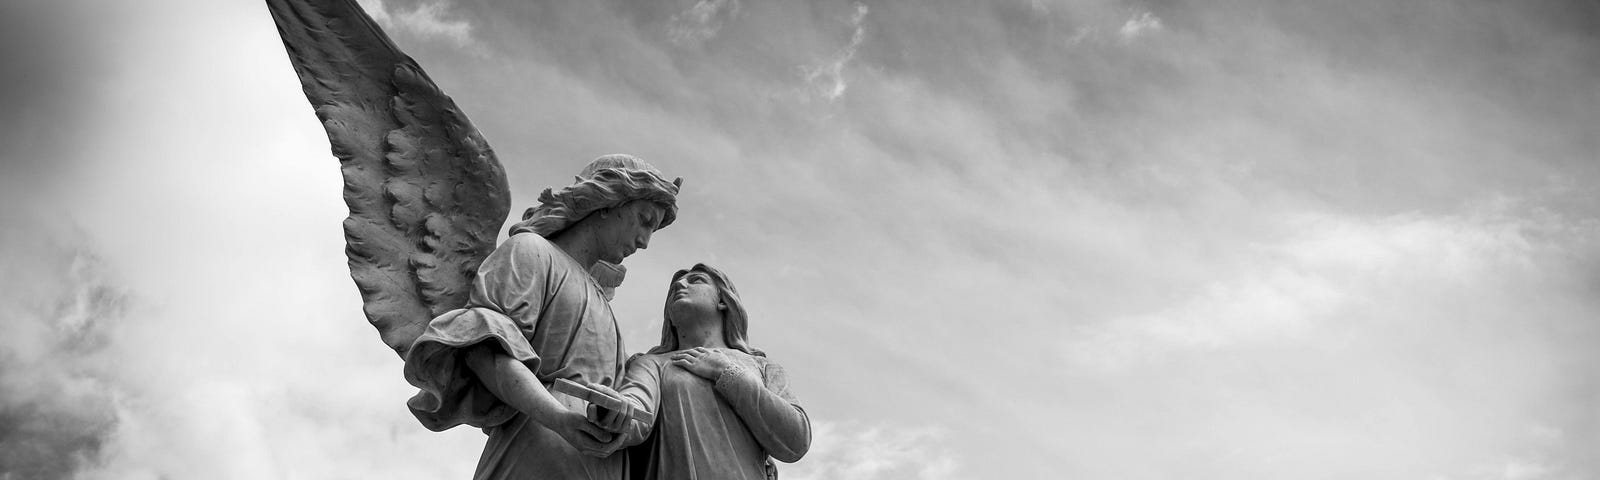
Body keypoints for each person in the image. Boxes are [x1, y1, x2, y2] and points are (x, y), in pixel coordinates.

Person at [402, 154, 682, 480]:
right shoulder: (531, 252)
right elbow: (484, 351)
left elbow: (616, 399)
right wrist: (559, 417)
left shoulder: (605, 306)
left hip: (599, 466)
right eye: (645, 219)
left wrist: (614, 417)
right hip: (536, 452)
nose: (645, 242)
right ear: (609, 202)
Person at [590, 264, 811, 480]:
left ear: (723, 301)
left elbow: (796, 440)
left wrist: (726, 373)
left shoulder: (762, 367)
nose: (679, 285)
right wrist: (613, 412)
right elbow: (636, 411)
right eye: (674, 287)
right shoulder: (652, 364)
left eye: (696, 280)